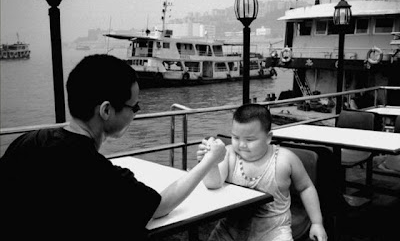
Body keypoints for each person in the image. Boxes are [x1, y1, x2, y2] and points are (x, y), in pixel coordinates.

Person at [0, 54, 226, 240]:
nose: (135, 113)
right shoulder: (95, 172)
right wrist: (209, 160)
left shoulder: (27, 141)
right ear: (106, 110)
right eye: (134, 106)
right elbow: (160, 206)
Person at [197, 104, 327, 241]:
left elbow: (305, 187)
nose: (241, 145)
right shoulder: (229, 154)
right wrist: (210, 162)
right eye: (235, 137)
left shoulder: (285, 160)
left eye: (249, 140)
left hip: (273, 229)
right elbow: (214, 184)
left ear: (268, 137)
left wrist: (317, 222)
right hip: (231, 227)